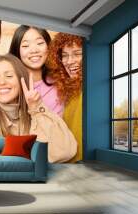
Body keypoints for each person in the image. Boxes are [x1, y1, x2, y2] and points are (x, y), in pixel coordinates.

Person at [9, 25, 64, 116]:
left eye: (39, 43)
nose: (34, 50)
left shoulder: (61, 81)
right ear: (17, 51)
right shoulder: (11, 85)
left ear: (49, 46)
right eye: (26, 45)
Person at [47, 33, 83, 162]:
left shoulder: (93, 88)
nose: (69, 61)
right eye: (65, 56)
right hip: (69, 164)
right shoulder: (68, 91)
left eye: (77, 54)